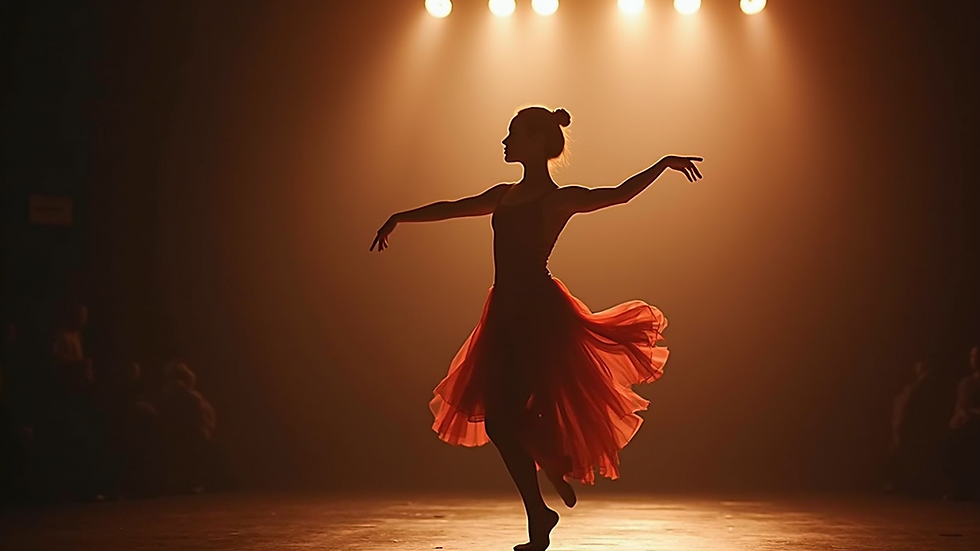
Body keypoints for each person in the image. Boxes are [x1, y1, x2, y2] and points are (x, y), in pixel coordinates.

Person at [371, 106, 702, 551]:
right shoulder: (504, 194)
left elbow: (618, 194)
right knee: (502, 420)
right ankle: (544, 492)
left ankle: (542, 499)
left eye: (512, 133)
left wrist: (661, 165)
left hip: (539, 317)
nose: (504, 141)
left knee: (505, 420)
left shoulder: (555, 200)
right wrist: (401, 216)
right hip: (504, 313)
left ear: (535, 142)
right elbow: (454, 207)